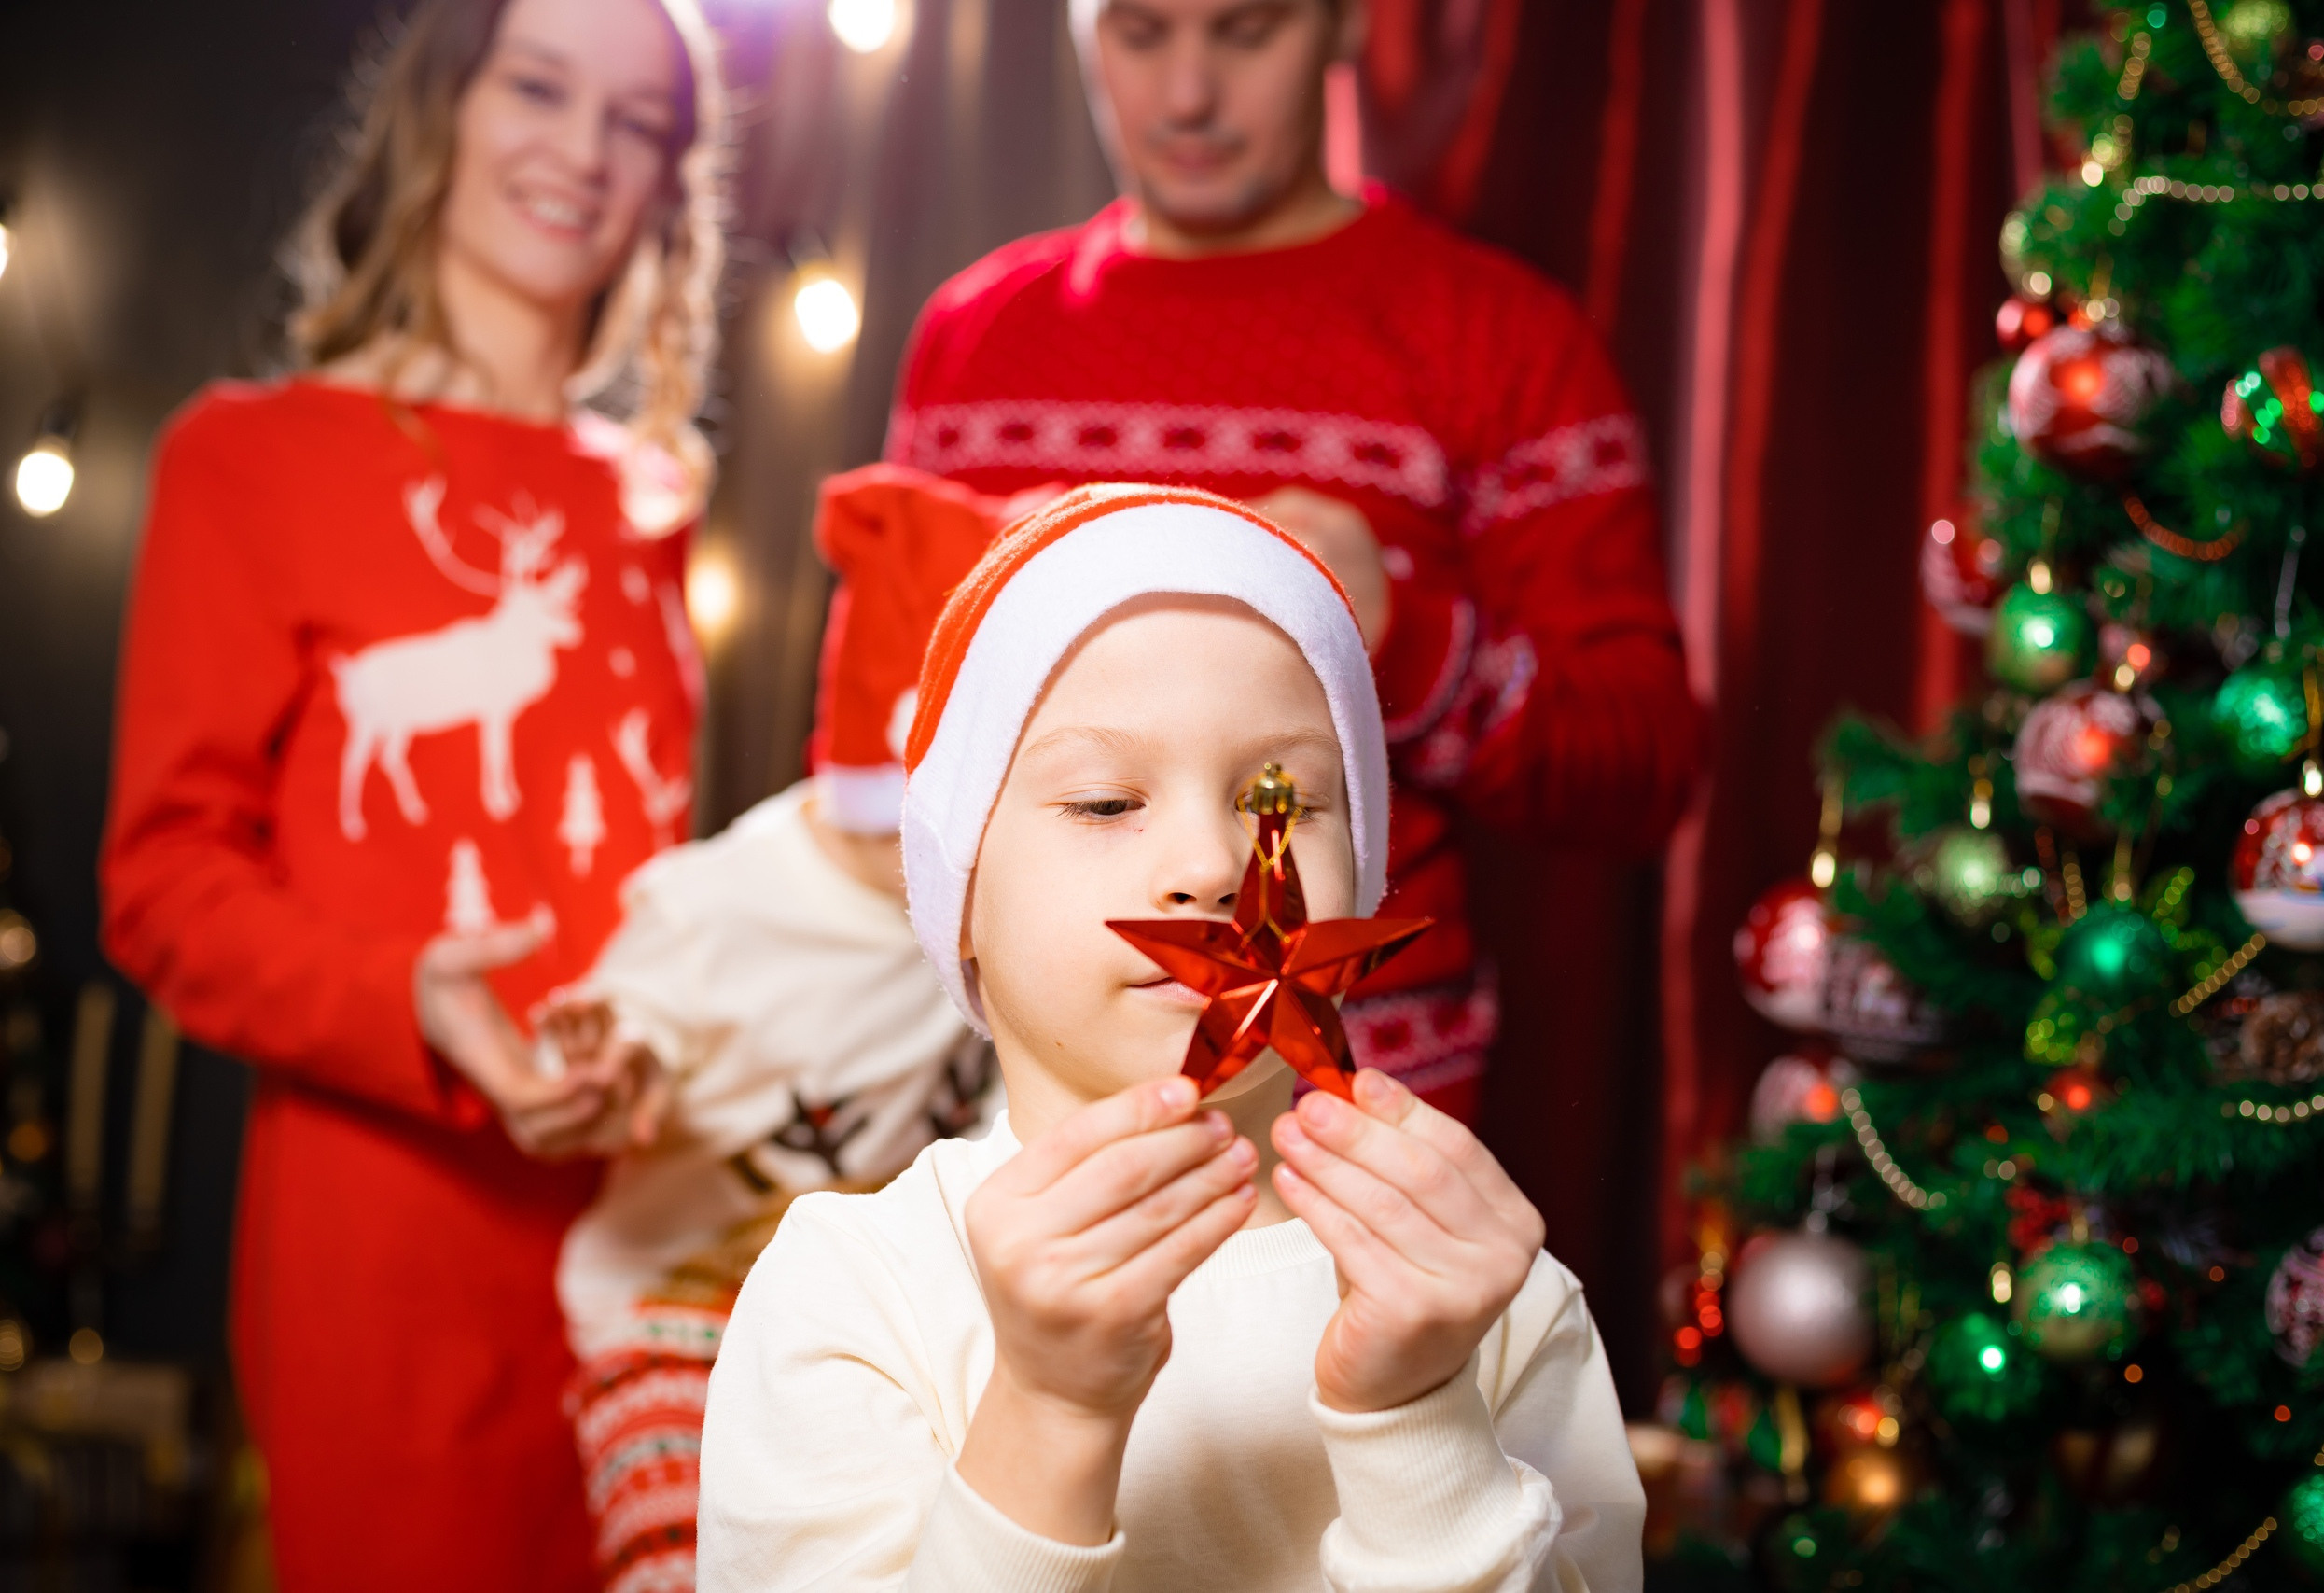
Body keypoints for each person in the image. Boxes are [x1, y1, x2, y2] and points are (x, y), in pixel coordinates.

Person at [698, 485, 1643, 1592]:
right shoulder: (856, 1292)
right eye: (1104, 803)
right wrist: (1047, 1414)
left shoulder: (1488, 1296)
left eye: (1280, 799)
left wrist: (1418, 1416)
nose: (1212, 864)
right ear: (956, 895)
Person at [99, 0, 724, 1587]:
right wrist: (409, 1001)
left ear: (673, 176)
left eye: (637, 120)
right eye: (540, 86)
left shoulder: (653, 500)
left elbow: (643, 851)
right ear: (441, 107)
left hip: (649, 1229)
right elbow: (164, 880)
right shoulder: (250, 461)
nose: (584, 152)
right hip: (392, 1250)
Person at [884, 0, 1703, 1125]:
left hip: (1351, 1119)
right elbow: (889, 752)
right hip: (1014, 1109)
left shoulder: (1498, 336)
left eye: (1244, 31)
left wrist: (1410, 643)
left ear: (1344, 25)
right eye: (1140, 33)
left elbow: (1645, 766)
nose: (1186, 94)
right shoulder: (974, 336)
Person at [546, 468, 1031, 1593]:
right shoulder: (723, 901)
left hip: (873, 1327)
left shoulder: (994, 918)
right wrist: (610, 1059)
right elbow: (640, 1015)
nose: (937, 882)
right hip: (678, 1312)